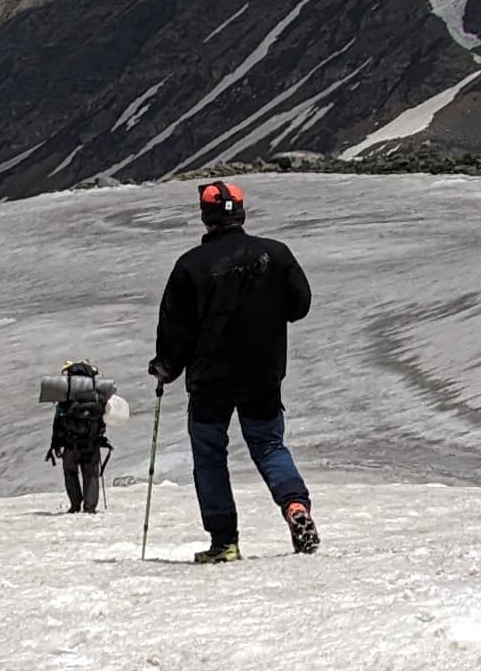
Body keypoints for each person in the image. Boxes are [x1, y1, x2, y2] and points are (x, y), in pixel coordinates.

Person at [150, 178, 317, 560]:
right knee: (269, 445)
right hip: (263, 373)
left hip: (210, 380)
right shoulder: (276, 255)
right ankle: (295, 506)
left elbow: (175, 329)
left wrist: (164, 368)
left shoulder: (190, 266)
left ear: (205, 217)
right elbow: (300, 305)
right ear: (241, 214)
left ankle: (224, 542)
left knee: (210, 455)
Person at [46, 361, 117, 513]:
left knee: (70, 472)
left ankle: (75, 505)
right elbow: (103, 419)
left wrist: (55, 444)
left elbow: (58, 421)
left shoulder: (65, 396)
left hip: (71, 443)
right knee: (91, 474)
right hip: (92, 443)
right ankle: (90, 507)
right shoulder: (97, 396)